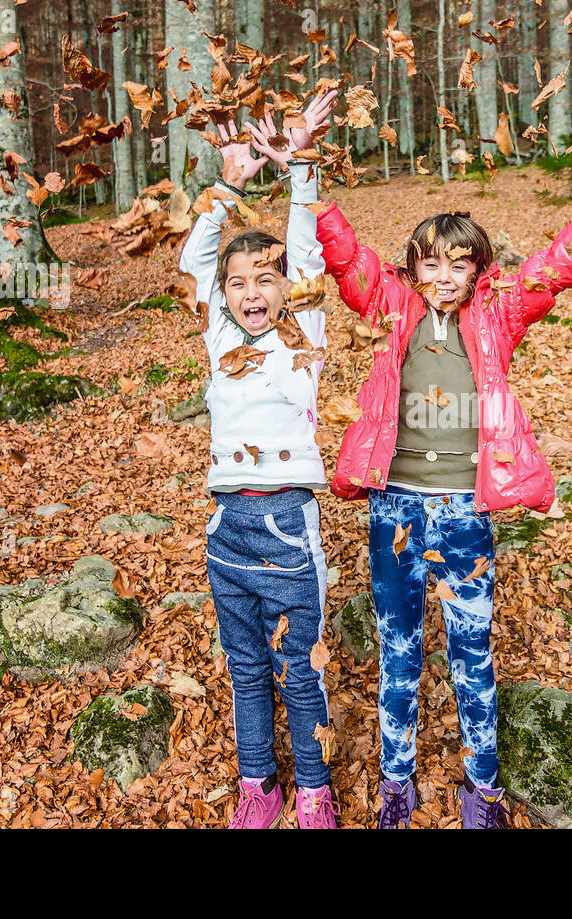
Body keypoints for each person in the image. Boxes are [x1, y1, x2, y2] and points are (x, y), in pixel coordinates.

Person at [309, 142, 572, 827]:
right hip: (392, 506)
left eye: (460, 263)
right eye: (431, 262)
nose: (445, 275)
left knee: (471, 650)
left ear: (479, 270)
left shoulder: (498, 315)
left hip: (466, 510)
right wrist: (305, 173)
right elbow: (345, 257)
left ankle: (481, 788)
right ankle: (396, 783)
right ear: (412, 268)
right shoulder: (389, 306)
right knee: (399, 648)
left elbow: (557, 268)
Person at [177, 90, 340, 828]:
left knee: (299, 672)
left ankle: (313, 787)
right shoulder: (217, 340)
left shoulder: (301, 332)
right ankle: (259, 785)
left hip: (286, 524)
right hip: (225, 530)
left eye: (264, 278)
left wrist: (300, 167)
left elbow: (304, 249)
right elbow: (195, 260)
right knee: (246, 670)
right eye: (238, 281)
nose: (250, 290)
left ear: (286, 290)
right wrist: (229, 185)